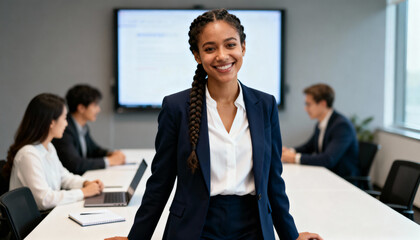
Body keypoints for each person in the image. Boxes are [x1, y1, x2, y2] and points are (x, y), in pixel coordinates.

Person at [107, 9, 322, 240]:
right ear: (197, 55)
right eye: (210, 49)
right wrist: (135, 238)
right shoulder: (177, 107)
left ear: (243, 48)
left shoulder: (264, 105)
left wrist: (291, 235)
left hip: (253, 228)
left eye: (230, 45)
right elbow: (160, 182)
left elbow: (273, 181)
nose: (222, 55)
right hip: (194, 228)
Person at [3, 93, 103, 211]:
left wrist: (85, 183)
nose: (66, 124)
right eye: (64, 118)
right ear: (51, 122)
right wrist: (83, 192)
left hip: (48, 215)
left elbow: (64, 177)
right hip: (36, 224)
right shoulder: (28, 154)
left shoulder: (49, 147)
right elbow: (44, 200)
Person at [282, 83, 359, 178]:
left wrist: (294, 158)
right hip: (327, 176)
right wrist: (288, 151)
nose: (305, 108)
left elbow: (328, 159)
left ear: (323, 104)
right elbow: (308, 147)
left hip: (343, 182)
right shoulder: (321, 123)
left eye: (308, 104)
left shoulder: (342, 126)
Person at [52, 84, 125, 175]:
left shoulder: (82, 127)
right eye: (95, 105)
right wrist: (109, 161)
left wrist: (111, 154)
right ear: (81, 108)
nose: (98, 110)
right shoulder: (65, 130)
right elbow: (75, 164)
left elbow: (94, 150)